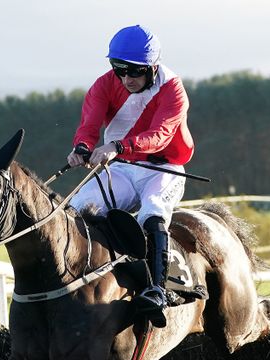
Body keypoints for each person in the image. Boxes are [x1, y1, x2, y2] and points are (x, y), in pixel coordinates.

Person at [67, 24, 194, 327]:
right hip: (122, 168)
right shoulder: (103, 84)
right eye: (119, 70)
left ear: (152, 67)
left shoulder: (173, 89)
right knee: (77, 209)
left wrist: (118, 145)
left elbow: (161, 135)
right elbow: (89, 123)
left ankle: (159, 290)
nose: (127, 79)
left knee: (151, 210)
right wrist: (82, 148)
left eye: (134, 72)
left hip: (162, 168)